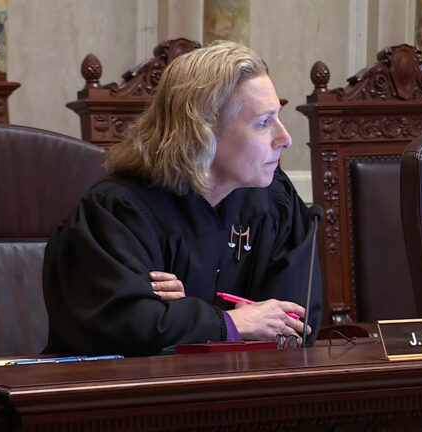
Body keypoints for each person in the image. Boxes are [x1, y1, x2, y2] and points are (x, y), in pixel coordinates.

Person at [43, 40, 322, 356]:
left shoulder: (274, 202)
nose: (285, 139)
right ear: (202, 132)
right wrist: (231, 323)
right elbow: (123, 330)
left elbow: (294, 324)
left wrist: (186, 314)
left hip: (245, 394)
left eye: (278, 117)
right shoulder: (117, 213)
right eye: (263, 123)